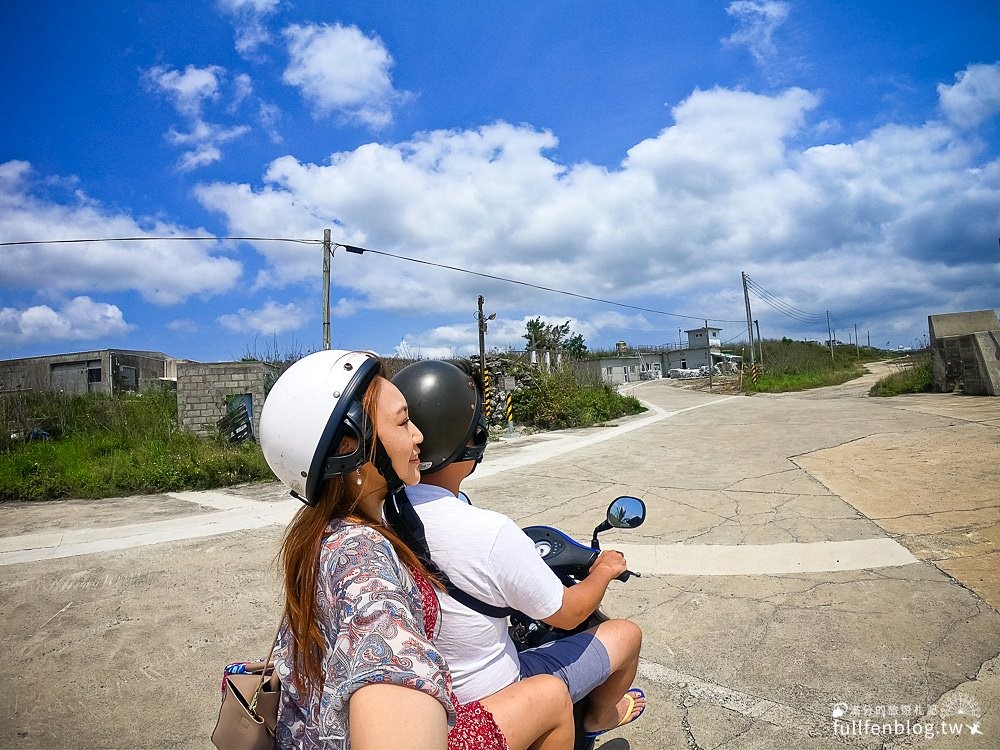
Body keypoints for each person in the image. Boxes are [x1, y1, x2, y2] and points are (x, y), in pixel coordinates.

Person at [259, 349, 573, 750]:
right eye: (404, 422)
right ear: (351, 446)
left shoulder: (325, 532)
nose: (419, 435)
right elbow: (382, 646)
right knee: (549, 695)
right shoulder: (365, 563)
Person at [388, 359, 646, 740]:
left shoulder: (379, 510)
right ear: (474, 438)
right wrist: (605, 569)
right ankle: (598, 719)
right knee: (627, 633)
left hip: (420, 704)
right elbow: (570, 614)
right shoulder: (488, 531)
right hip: (493, 694)